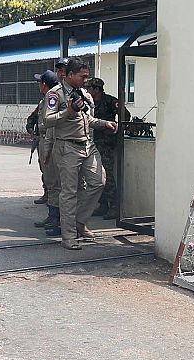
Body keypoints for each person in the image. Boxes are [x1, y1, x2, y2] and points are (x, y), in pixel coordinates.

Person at [45, 60, 118, 250]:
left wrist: (105, 123)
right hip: (67, 147)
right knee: (69, 192)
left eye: (86, 76)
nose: (86, 80)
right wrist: (67, 112)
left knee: (98, 181)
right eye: (82, 76)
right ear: (70, 75)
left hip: (88, 145)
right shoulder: (56, 94)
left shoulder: (85, 94)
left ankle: (79, 221)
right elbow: (47, 121)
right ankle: (68, 236)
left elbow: (88, 119)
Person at [86, 77, 125, 220]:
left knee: (107, 175)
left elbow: (125, 115)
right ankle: (102, 205)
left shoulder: (110, 101)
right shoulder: (89, 103)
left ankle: (114, 206)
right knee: (97, 176)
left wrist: (115, 127)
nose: (88, 90)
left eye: (90, 88)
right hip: (93, 142)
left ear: (96, 89)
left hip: (106, 144)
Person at [31, 70, 62, 236]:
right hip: (44, 140)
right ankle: (52, 216)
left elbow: (51, 123)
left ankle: (56, 218)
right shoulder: (45, 100)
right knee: (50, 181)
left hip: (50, 141)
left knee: (54, 182)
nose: (38, 85)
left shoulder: (53, 98)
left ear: (44, 84)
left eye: (39, 82)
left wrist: (48, 147)